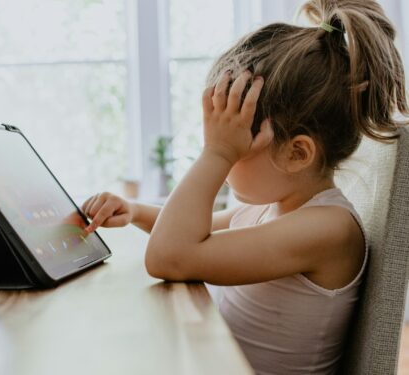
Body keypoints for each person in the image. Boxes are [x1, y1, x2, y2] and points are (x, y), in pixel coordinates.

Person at [81, 0, 408, 373]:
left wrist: (217, 153)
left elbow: (169, 256)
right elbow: (188, 233)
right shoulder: (272, 208)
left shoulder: (328, 229)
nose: (220, 158)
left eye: (234, 145)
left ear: (296, 154)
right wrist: (135, 211)